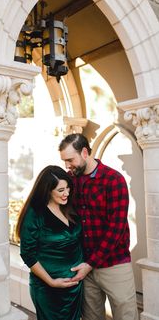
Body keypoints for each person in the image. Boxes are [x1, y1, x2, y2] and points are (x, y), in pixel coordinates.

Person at [59, 133, 138, 320]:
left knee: (126, 316)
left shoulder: (113, 180)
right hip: (84, 266)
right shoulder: (70, 181)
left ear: (85, 152)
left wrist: (91, 263)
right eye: (64, 161)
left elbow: (116, 229)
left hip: (114, 264)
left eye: (70, 160)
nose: (67, 166)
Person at [16, 165, 84, 320]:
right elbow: (28, 254)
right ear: (47, 190)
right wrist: (52, 282)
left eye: (68, 188)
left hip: (75, 287)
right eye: (61, 190)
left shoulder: (69, 207)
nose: (67, 193)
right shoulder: (35, 213)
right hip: (49, 289)